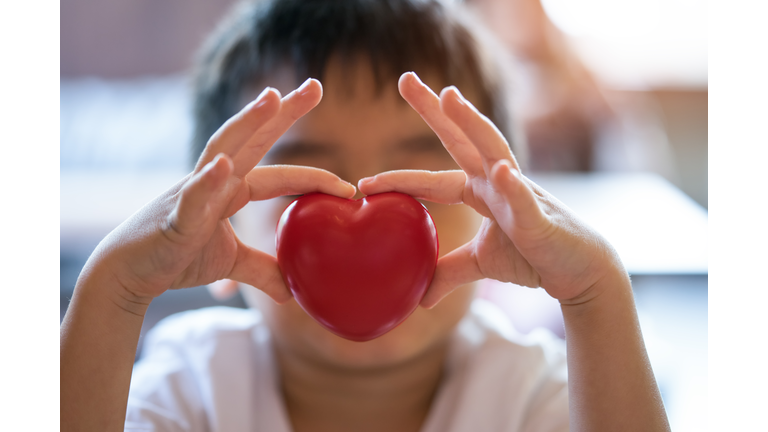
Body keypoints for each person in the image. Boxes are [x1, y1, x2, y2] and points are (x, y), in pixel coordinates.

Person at [60, 0, 670, 431]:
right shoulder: (192, 385)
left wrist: (596, 297)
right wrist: (113, 290)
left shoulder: (526, 392)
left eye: (419, 185)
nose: (363, 218)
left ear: (495, 216)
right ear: (218, 222)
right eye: (305, 187)